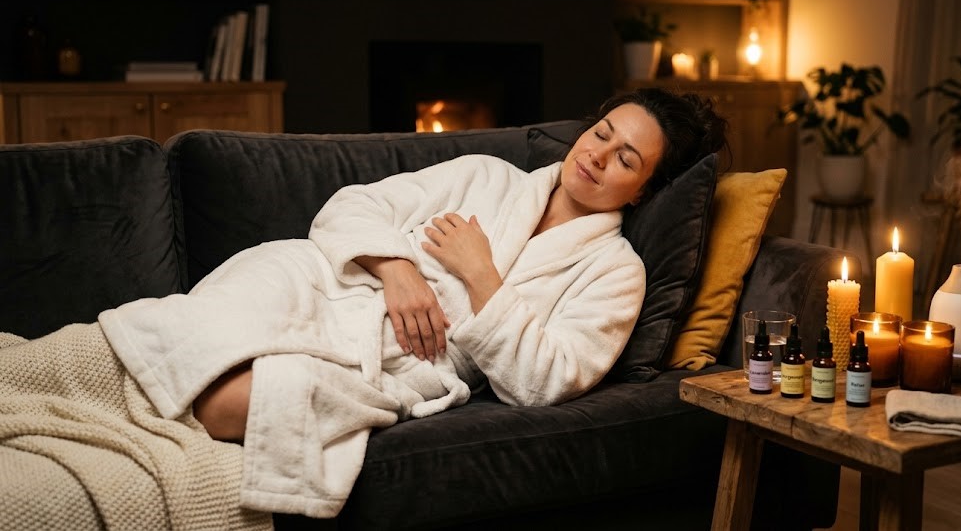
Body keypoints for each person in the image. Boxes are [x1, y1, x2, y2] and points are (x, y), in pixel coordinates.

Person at [5, 87, 730, 521]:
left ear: (644, 189)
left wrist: (481, 275)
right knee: (175, 337)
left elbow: (547, 380)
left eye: (625, 158)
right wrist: (396, 269)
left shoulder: (614, 273)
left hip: (396, 361)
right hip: (320, 284)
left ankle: (101, 440)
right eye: (602, 133)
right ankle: (47, 390)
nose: (597, 155)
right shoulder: (485, 175)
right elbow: (352, 206)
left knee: (228, 402)